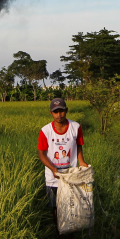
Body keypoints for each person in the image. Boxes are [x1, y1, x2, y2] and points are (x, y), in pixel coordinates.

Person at [37, 97, 88, 231]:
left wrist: (81, 161)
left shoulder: (75, 127)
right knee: (56, 208)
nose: (59, 115)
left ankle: (69, 234)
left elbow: (79, 146)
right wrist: (53, 169)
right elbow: (41, 153)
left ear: (66, 110)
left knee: (71, 205)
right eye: (56, 112)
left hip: (70, 175)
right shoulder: (45, 131)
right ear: (51, 113)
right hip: (53, 177)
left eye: (61, 111)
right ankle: (60, 234)